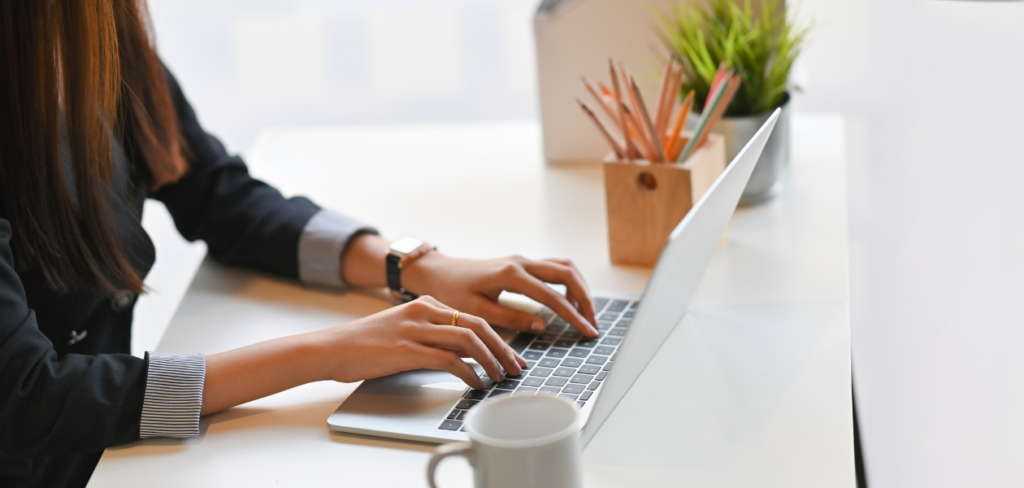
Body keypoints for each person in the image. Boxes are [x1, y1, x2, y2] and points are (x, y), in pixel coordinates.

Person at [0, 1, 597, 486]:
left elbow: (217, 193)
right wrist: (329, 353)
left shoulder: (90, 30)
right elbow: (27, 396)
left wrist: (413, 265)